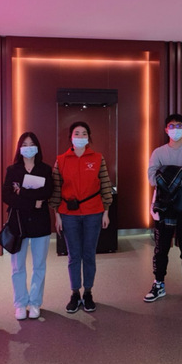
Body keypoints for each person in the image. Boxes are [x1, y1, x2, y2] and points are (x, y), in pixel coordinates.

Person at [49, 122, 113, 313]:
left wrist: (106, 211)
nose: (80, 136)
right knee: (74, 255)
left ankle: (88, 292)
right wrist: (57, 216)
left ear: (89, 137)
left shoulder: (98, 158)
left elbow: (105, 185)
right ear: (71, 137)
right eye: (76, 133)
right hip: (69, 215)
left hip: (94, 212)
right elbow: (55, 189)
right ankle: (75, 292)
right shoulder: (61, 160)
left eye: (84, 133)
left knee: (89, 254)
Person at [143, 114, 182, 306]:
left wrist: (166, 174)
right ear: (166, 129)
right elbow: (152, 178)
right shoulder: (158, 152)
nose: (175, 129)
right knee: (161, 249)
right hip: (164, 208)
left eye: (179, 126)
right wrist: (181, 173)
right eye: (171, 126)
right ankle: (158, 283)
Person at [2, 132, 53, 320]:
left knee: (39, 265)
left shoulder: (45, 169)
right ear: (19, 148)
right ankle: (20, 303)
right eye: (25, 144)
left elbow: (48, 192)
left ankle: (35, 302)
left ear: (37, 147)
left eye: (32, 144)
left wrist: (21, 192)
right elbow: (7, 196)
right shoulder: (12, 170)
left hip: (40, 222)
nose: (28, 147)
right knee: (17, 266)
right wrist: (33, 202)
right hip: (18, 223)